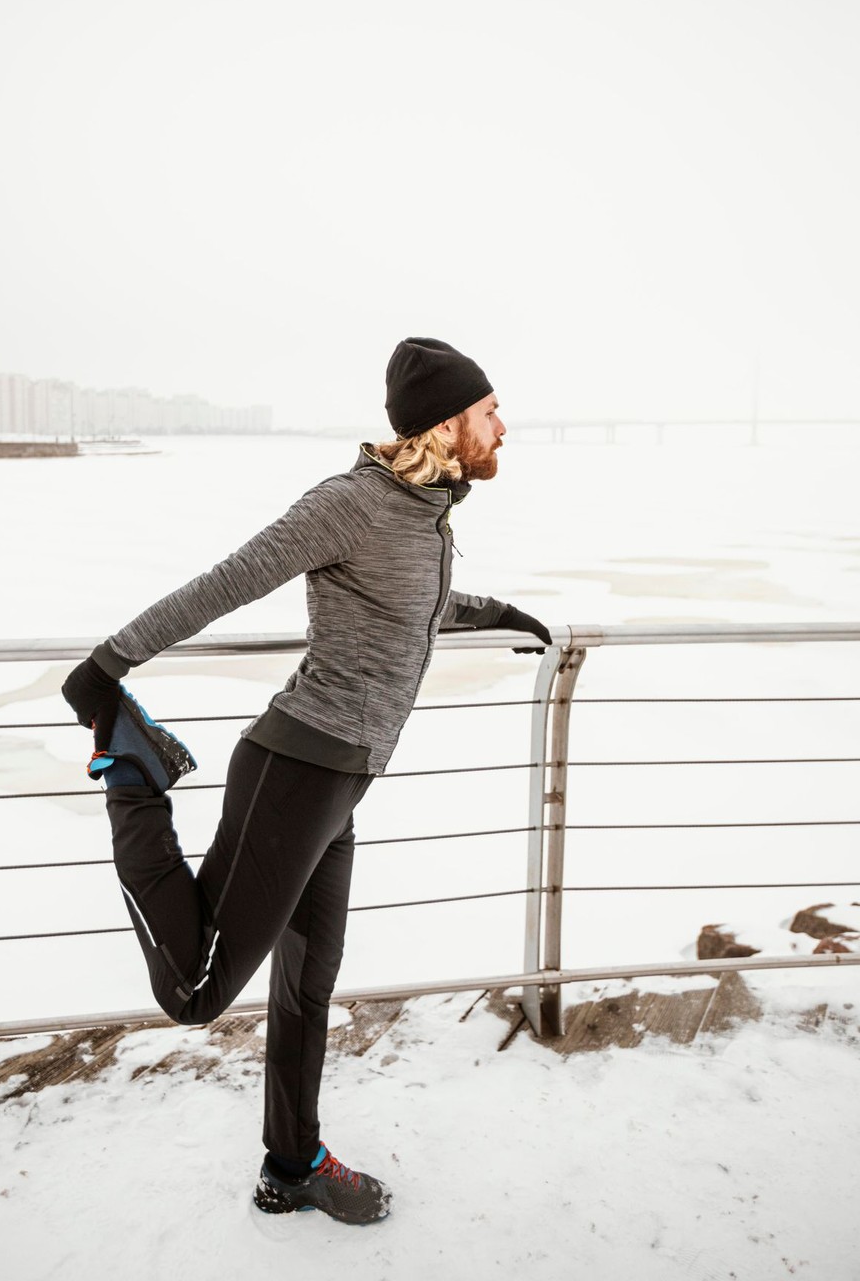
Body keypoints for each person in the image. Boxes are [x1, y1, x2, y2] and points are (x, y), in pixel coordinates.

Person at [61, 336, 552, 1225]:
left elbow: (421, 605)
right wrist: (106, 667)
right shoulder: (352, 503)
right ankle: (132, 771)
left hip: (343, 781)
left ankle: (292, 1162)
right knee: (196, 989)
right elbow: (231, 580)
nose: (503, 428)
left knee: (307, 982)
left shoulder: (427, 513)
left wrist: (500, 613)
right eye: (489, 412)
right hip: (297, 764)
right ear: (447, 422)